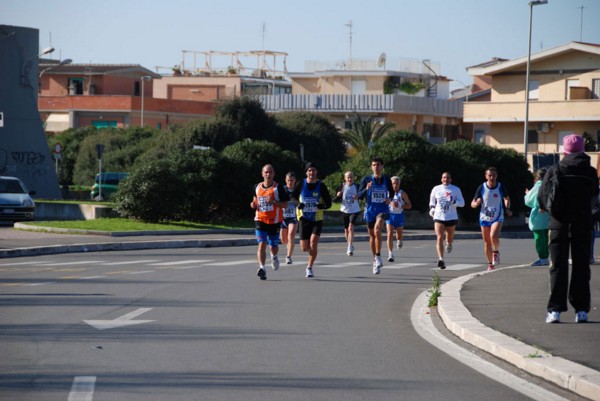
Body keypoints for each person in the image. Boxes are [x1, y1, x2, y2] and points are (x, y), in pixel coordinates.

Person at [538, 134, 598, 323]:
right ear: (582, 150)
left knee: (557, 267)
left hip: (558, 225)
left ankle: (555, 310)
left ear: (564, 150)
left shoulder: (555, 169)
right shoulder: (589, 172)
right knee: (581, 267)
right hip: (582, 225)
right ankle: (581, 310)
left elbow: (543, 197)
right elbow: (594, 198)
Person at [291, 162, 332, 278]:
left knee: (313, 243)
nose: (311, 172)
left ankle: (309, 267)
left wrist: (322, 206)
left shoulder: (321, 186)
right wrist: (298, 204)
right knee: (304, 248)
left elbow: (328, 202)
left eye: (313, 170)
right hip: (303, 218)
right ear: (306, 172)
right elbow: (293, 197)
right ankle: (311, 252)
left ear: (316, 172)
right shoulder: (301, 184)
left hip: (317, 218)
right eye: (309, 170)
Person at [250, 164, 289, 281]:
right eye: (266, 172)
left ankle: (274, 256)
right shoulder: (256, 187)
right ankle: (262, 268)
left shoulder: (278, 188)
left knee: (273, 246)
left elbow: (285, 205)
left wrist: (273, 202)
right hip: (260, 219)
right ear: (262, 174)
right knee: (262, 244)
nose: (268, 174)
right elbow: (254, 201)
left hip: (275, 221)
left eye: (270, 172)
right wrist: (253, 205)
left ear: (273, 174)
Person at [471, 166, 512, 271]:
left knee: (493, 236)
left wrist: (507, 208)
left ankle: (496, 252)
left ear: (496, 176)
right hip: (484, 217)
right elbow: (473, 203)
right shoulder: (482, 187)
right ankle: (490, 264)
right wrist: (476, 204)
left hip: (497, 216)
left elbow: (506, 198)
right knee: (487, 242)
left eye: (494, 175)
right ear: (486, 176)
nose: (492, 177)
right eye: (489, 175)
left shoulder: (500, 186)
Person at [358, 157, 394, 274]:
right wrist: (366, 189)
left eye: (378, 165)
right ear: (371, 167)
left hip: (382, 209)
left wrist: (390, 198)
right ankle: (375, 260)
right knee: (372, 235)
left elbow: (392, 192)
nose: (376, 167)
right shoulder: (366, 179)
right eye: (373, 165)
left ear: (382, 166)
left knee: (377, 230)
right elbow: (359, 194)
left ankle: (378, 255)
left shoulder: (386, 179)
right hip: (370, 210)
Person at [429, 172, 465, 269]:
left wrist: (454, 202)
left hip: (451, 217)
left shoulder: (455, 189)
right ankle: (441, 259)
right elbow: (432, 201)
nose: (446, 179)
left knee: (449, 238)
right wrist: (432, 209)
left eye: (448, 178)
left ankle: (449, 244)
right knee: (439, 237)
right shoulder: (436, 189)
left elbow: (462, 203)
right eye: (444, 177)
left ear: (451, 179)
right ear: (441, 179)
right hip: (439, 216)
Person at [524, 168, 549, 266]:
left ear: (537, 177)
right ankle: (546, 256)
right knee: (547, 238)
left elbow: (529, 201)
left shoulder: (538, 186)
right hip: (549, 216)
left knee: (539, 239)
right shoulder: (550, 185)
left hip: (538, 216)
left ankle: (542, 258)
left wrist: (527, 194)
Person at [385, 176, 412, 263]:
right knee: (389, 234)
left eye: (397, 183)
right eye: (393, 183)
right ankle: (390, 253)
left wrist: (400, 205)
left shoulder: (402, 193)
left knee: (399, 235)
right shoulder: (387, 193)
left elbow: (409, 205)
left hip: (399, 216)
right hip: (390, 216)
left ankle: (399, 240)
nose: (395, 185)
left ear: (399, 184)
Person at [336, 171, 361, 256]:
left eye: (351, 177)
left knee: (351, 227)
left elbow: (361, 194)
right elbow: (337, 195)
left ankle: (350, 246)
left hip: (354, 210)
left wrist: (357, 196)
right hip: (345, 210)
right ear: (345, 178)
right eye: (348, 177)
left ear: (353, 178)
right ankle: (349, 244)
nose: (350, 179)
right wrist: (338, 194)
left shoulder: (356, 186)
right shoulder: (342, 186)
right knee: (346, 230)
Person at [280, 172, 299, 264]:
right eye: (288, 180)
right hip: (283, 217)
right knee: (284, 240)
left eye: (291, 180)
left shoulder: (297, 190)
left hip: (293, 217)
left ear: (295, 180)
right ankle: (289, 245)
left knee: (291, 235)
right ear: (285, 180)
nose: (290, 182)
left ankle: (288, 257)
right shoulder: (282, 190)